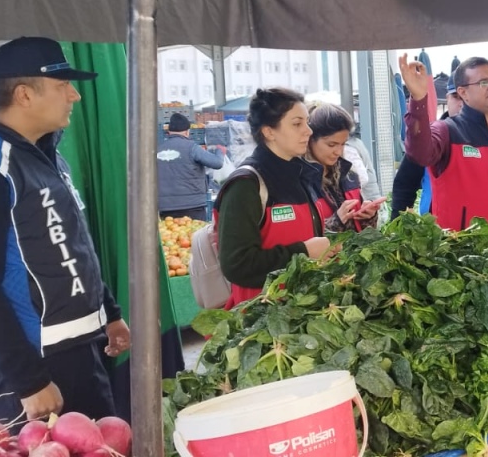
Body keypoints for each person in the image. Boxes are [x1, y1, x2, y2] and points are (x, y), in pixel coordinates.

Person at [0, 37, 129, 423]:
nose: (75, 96)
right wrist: (27, 380)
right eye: (62, 86)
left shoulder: (45, 155)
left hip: (77, 352)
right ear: (24, 94)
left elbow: (69, 244)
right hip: (24, 368)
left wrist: (109, 312)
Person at [215, 88, 333, 310]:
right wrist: (304, 252)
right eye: (297, 124)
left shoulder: (302, 175)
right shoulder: (246, 185)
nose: (308, 131)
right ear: (269, 131)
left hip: (303, 312)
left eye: (307, 122)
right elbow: (237, 265)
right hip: (262, 319)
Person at [399, 54, 488, 230]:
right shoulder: (446, 131)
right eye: (483, 82)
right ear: (463, 92)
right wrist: (419, 100)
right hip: (461, 249)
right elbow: (419, 154)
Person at [303, 103, 383, 233]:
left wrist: (368, 217)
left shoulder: (349, 175)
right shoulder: (301, 181)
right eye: (332, 144)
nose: (338, 152)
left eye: (343, 144)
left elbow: (362, 233)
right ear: (310, 140)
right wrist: (336, 221)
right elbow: (304, 240)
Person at [392, 90, 464, 219]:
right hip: (437, 230)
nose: (462, 104)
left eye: (465, 97)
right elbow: (404, 185)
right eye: (456, 97)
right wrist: (398, 224)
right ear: (447, 98)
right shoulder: (428, 140)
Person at [156, 113, 224, 221]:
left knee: (171, 236)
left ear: (168, 132)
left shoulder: (158, 150)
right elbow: (217, 163)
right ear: (187, 132)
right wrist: (220, 151)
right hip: (192, 206)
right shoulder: (192, 148)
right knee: (193, 235)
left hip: (165, 207)